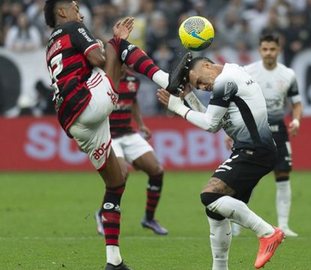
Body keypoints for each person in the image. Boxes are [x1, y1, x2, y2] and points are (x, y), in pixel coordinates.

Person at [44, 1, 170, 269]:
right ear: (63, 12)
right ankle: (165, 79)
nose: (79, 11)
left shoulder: (50, 46)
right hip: (87, 104)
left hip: (74, 123)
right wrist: (114, 42)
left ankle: (114, 261)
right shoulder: (74, 27)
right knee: (116, 46)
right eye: (75, 6)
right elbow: (99, 59)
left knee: (116, 182)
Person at [157, 54, 285, 270]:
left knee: (210, 195)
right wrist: (189, 98)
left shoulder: (225, 80)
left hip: (253, 150)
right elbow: (215, 123)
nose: (202, 87)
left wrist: (178, 107)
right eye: (197, 86)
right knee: (215, 210)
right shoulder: (233, 72)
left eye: (199, 81)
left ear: (207, 65)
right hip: (256, 149)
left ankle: (268, 233)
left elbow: (209, 124)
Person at [234, 33, 303, 237]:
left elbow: (296, 103)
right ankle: (237, 224)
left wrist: (296, 119)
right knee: (247, 177)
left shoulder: (288, 75)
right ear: (259, 50)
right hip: (252, 129)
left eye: (272, 49)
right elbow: (236, 102)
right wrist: (234, 129)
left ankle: (283, 225)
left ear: (278, 50)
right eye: (265, 49)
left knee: (283, 175)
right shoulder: (248, 72)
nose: (268, 53)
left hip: (278, 129)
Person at [94, 67, 168, 236]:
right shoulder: (101, 79)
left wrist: (141, 124)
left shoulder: (133, 80)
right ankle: (102, 214)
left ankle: (149, 219)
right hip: (108, 136)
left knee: (156, 170)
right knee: (120, 175)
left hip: (128, 133)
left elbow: (133, 102)